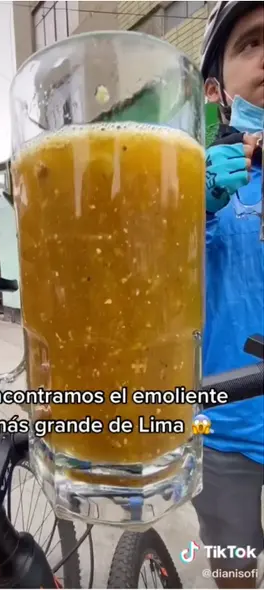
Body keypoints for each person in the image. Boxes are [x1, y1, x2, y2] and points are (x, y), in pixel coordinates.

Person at [194, 3, 264, 588]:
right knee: (233, 571)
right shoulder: (190, 177)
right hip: (224, 434)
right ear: (217, 91)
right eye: (253, 43)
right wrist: (196, 202)